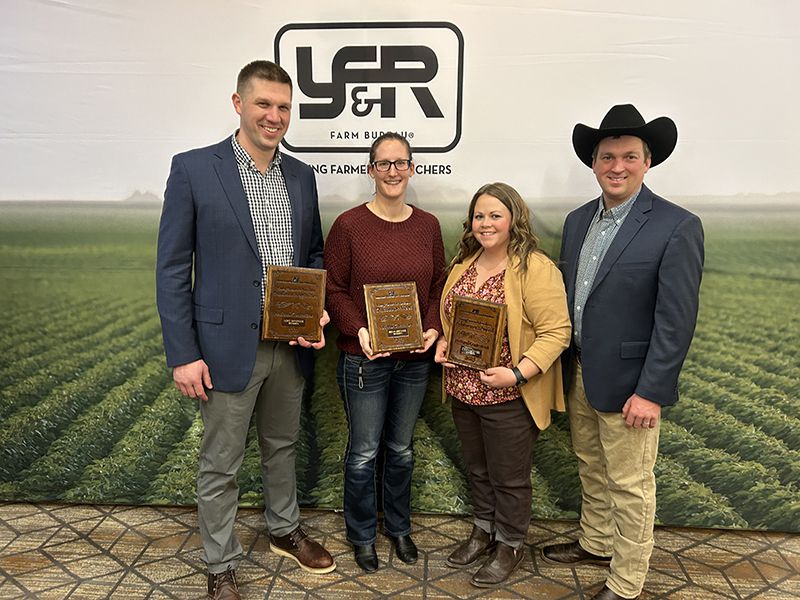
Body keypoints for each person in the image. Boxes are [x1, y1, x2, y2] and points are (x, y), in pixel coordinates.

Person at [156, 60, 335, 600]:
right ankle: (220, 563)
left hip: (290, 342)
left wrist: (315, 310)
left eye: (283, 107)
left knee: (282, 446)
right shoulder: (193, 169)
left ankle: (284, 529)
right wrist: (183, 353)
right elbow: (171, 269)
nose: (274, 116)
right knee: (221, 462)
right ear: (239, 104)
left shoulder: (301, 175)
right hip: (225, 345)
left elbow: (313, 253)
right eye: (263, 104)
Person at [540, 104, 704, 600]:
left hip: (632, 384)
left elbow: (676, 321)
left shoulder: (676, 226)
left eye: (629, 156)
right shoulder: (577, 220)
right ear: (594, 163)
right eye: (607, 156)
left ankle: (627, 580)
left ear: (647, 161)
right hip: (582, 371)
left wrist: (651, 391)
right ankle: (595, 543)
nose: (617, 166)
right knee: (590, 464)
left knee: (631, 483)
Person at [434, 182, 571, 588]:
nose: (486, 223)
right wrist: (444, 342)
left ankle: (509, 544)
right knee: (478, 469)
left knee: (509, 477)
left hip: (508, 394)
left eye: (495, 215)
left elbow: (556, 332)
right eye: (479, 215)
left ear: (514, 219)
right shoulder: (464, 265)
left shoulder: (535, 268)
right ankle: (483, 531)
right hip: (464, 390)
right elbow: (452, 322)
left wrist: (516, 373)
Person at [324, 132, 445, 573]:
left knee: (401, 449)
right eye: (384, 163)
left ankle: (398, 528)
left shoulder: (428, 226)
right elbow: (334, 289)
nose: (393, 171)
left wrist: (432, 327)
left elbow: (436, 287)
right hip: (364, 360)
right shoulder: (349, 226)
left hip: (414, 360)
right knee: (363, 451)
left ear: (412, 168)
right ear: (370, 170)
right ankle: (361, 535)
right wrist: (360, 330)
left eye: (401, 163)